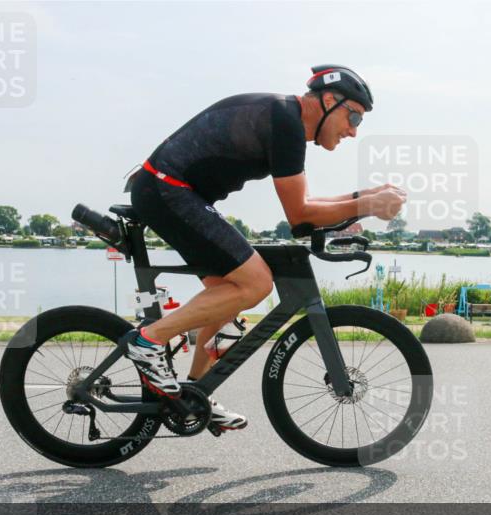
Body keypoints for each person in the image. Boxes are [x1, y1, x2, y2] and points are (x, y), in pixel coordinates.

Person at [124, 65, 406, 431]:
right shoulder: (285, 121)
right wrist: (366, 205)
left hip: (174, 192)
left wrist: (363, 196)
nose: (353, 130)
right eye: (353, 117)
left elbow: (305, 208)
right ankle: (148, 341)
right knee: (256, 283)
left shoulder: (286, 120)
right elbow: (300, 215)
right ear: (328, 100)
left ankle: (194, 394)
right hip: (167, 189)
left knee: (228, 296)